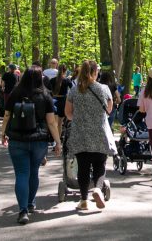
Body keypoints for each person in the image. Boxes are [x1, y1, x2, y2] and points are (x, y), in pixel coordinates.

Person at [2, 65, 61, 225]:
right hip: (39, 140)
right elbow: (51, 122)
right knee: (33, 172)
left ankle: (23, 211)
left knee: (21, 174)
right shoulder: (45, 95)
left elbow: (7, 116)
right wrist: (58, 141)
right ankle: (30, 203)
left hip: (17, 140)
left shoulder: (15, 93)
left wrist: (3, 133)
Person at [65, 60, 113, 212]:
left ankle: (84, 200)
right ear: (94, 72)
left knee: (83, 168)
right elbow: (109, 109)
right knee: (100, 165)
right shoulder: (103, 89)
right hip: (99, 133)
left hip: (80, 134)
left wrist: (79, 118)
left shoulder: (74, 90)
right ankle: (98, 189)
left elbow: (67, 113)